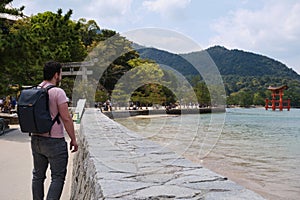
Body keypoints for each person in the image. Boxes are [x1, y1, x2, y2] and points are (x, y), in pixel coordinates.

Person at [31, 61, 78, 200]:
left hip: (36, 139)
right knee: (57, 177)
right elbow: (66, 118)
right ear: (56, 74)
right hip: (54, 141)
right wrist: (73, 139)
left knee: (38, 176)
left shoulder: (36, 89)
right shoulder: (58, 92)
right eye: (60, 73)